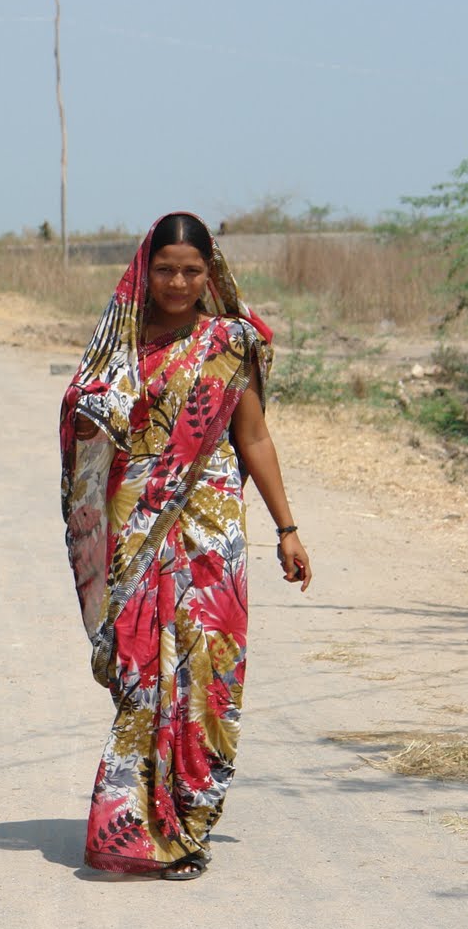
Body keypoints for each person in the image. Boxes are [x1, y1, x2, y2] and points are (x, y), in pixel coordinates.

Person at [60, 212, 313, 880]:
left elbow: (252, 437)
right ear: (146, 271)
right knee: (142, 671)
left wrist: (287, 528)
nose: (177, 282)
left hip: (211, 526)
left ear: (211, 273)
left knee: (207, 671)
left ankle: (189, 824)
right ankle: (137, 823)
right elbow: (84, 430)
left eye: (191, 271)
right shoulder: (117, 344)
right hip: (136, 520)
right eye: (166, 269)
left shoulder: (229, 342)